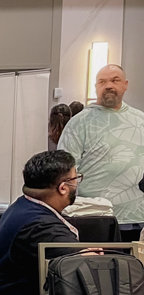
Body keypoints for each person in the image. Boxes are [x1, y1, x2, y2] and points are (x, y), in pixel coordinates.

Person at [0, 151, 81, 295]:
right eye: (76, 178)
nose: (77, 183)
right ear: (63, 188)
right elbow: (82, 265)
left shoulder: (23, 206)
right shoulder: (40, 226)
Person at [59, 64, 144, 240]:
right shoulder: (79, 123)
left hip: (137, 217)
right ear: (96, 87)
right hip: (94, 219)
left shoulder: (140, 120)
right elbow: (63, 171)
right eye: (102, 81)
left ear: (126, 84)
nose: (109, 85)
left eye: (115, 80)